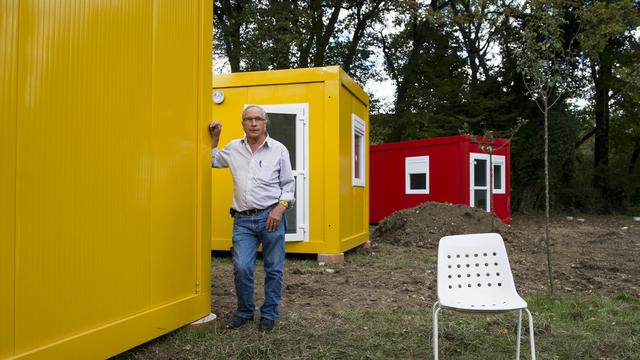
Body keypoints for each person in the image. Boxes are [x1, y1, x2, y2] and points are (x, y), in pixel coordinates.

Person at [209, 105, 295, 332]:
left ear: (266, 122)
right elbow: (212, 160)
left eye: (258, 119)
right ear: (242, 123)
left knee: (274, 268)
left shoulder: (279, 150)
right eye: (249, 119)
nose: (254, 123)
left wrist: (280, 208)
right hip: (243, 220)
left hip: (271, 217)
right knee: (242, 267)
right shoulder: (233, 148)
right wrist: (215, 139)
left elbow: (288, 185)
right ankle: (245, 312)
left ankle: (269, 314)